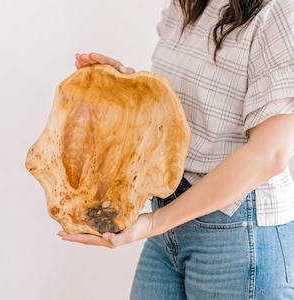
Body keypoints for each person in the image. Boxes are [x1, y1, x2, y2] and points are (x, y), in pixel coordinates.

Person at [58, 0, 294, 298]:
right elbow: (182, 116)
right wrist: (130, 90)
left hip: (236, 232)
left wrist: (154, 222)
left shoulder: (280, 11)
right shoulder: (187, 4)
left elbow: (269, 155)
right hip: (168, 218)